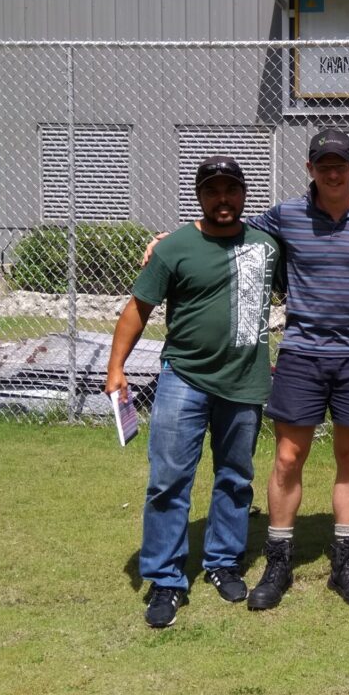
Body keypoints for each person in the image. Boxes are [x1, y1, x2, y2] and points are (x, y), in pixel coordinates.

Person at [143, 129, 349, 612]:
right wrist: (168, 239)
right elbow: (222, 224)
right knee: (286, 459)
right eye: (323, 164)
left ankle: (345, 564)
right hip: (301, 354)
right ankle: (277, 562)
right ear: (310, 169)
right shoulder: (285, 215)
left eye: (340, 164)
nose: (332, 172)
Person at [107, 156, 281, 628]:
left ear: (244, 194)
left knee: (235, 477)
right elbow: (138, 309)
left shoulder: (266, 246)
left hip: (244, 382)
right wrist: (116, 367)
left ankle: (223, 562)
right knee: (168, 481)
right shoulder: (175, 247)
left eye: (231, 189)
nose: (222, 198)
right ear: (199, 196)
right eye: (212, 190)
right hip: (183, 378)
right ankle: (166, 579)